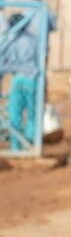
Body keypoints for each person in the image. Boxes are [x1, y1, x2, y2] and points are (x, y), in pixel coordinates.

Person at [1, 13, 39, 151]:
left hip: (17, 80)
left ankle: (15, 146)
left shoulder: (9, 41)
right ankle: (29, 144)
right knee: (32, 113)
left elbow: (3, 63)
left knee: (15, 114)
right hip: (32, 80)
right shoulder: (33, 40)